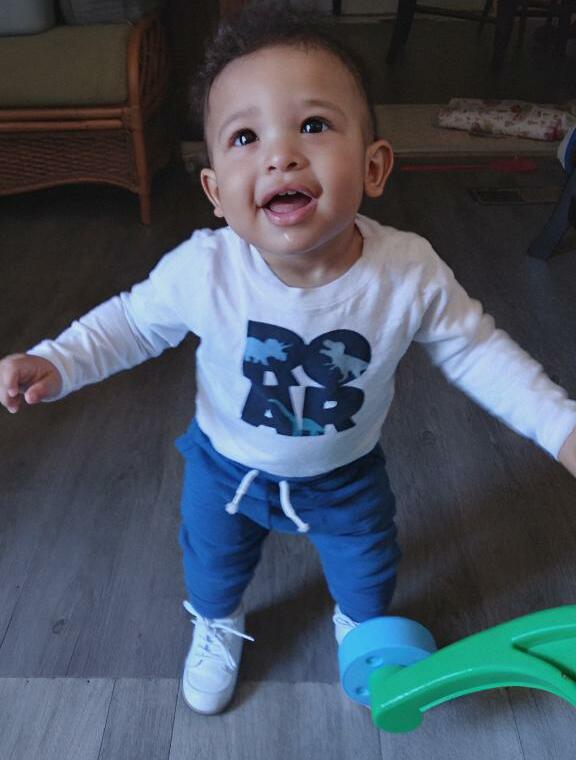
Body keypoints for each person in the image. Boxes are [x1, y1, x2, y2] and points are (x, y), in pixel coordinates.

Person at [1, 4, 576, 717]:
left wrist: (561, 426)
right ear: (216, 192)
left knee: (369, 570)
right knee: (212, 564)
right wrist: (58, 361)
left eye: (313, 125)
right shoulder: (206, 271)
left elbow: (479, 352)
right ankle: (218, 623)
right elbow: (132, 323)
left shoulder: (407, 273)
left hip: (345, 475)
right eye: (245, 137)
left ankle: (362, 630)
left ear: (374, 166)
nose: (280, 155)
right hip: (227, 468)